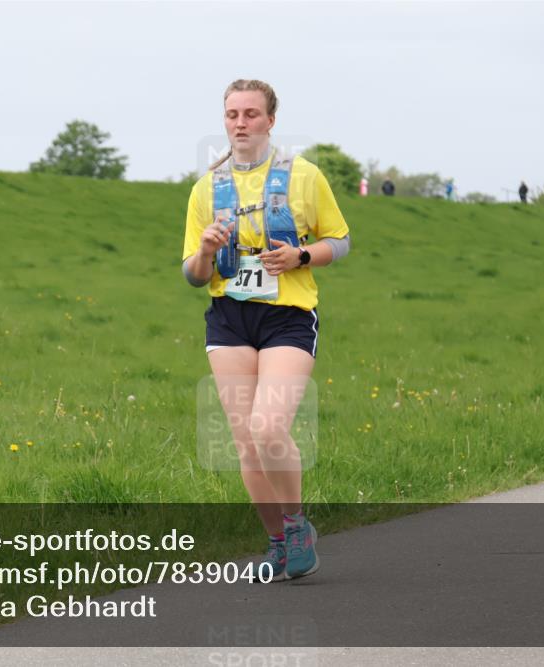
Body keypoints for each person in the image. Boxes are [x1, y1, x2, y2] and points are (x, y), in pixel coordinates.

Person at [181, 79, 350, 582]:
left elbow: (339, 241)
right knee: (246, 442)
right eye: (232, 114)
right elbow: (191, 274)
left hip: (288, 315)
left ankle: (297, 525)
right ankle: (277, 544)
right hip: (229, 317)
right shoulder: (206, 189)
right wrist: (209, 251)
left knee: (268, 427)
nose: (240, 123)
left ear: (270, 120)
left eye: (251, 114)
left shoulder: (303, 177)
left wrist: (300, 255)